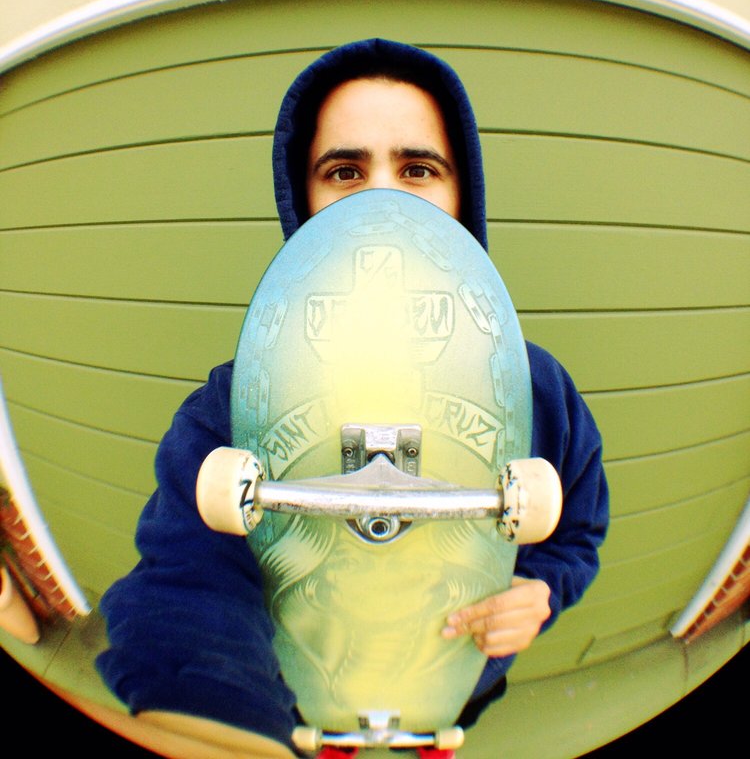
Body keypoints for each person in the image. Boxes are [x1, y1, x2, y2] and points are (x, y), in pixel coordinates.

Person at [97, 38, 608, 758]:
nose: (380, 203)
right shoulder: (238, 400)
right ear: (302, 199)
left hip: (453, 677)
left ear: (463, 196)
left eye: (418, 169)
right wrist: (214, 713)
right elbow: (186, 578)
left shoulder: (537, 391)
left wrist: (541, 591)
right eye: (345, 172)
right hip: (302, 692)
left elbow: (577, 531)